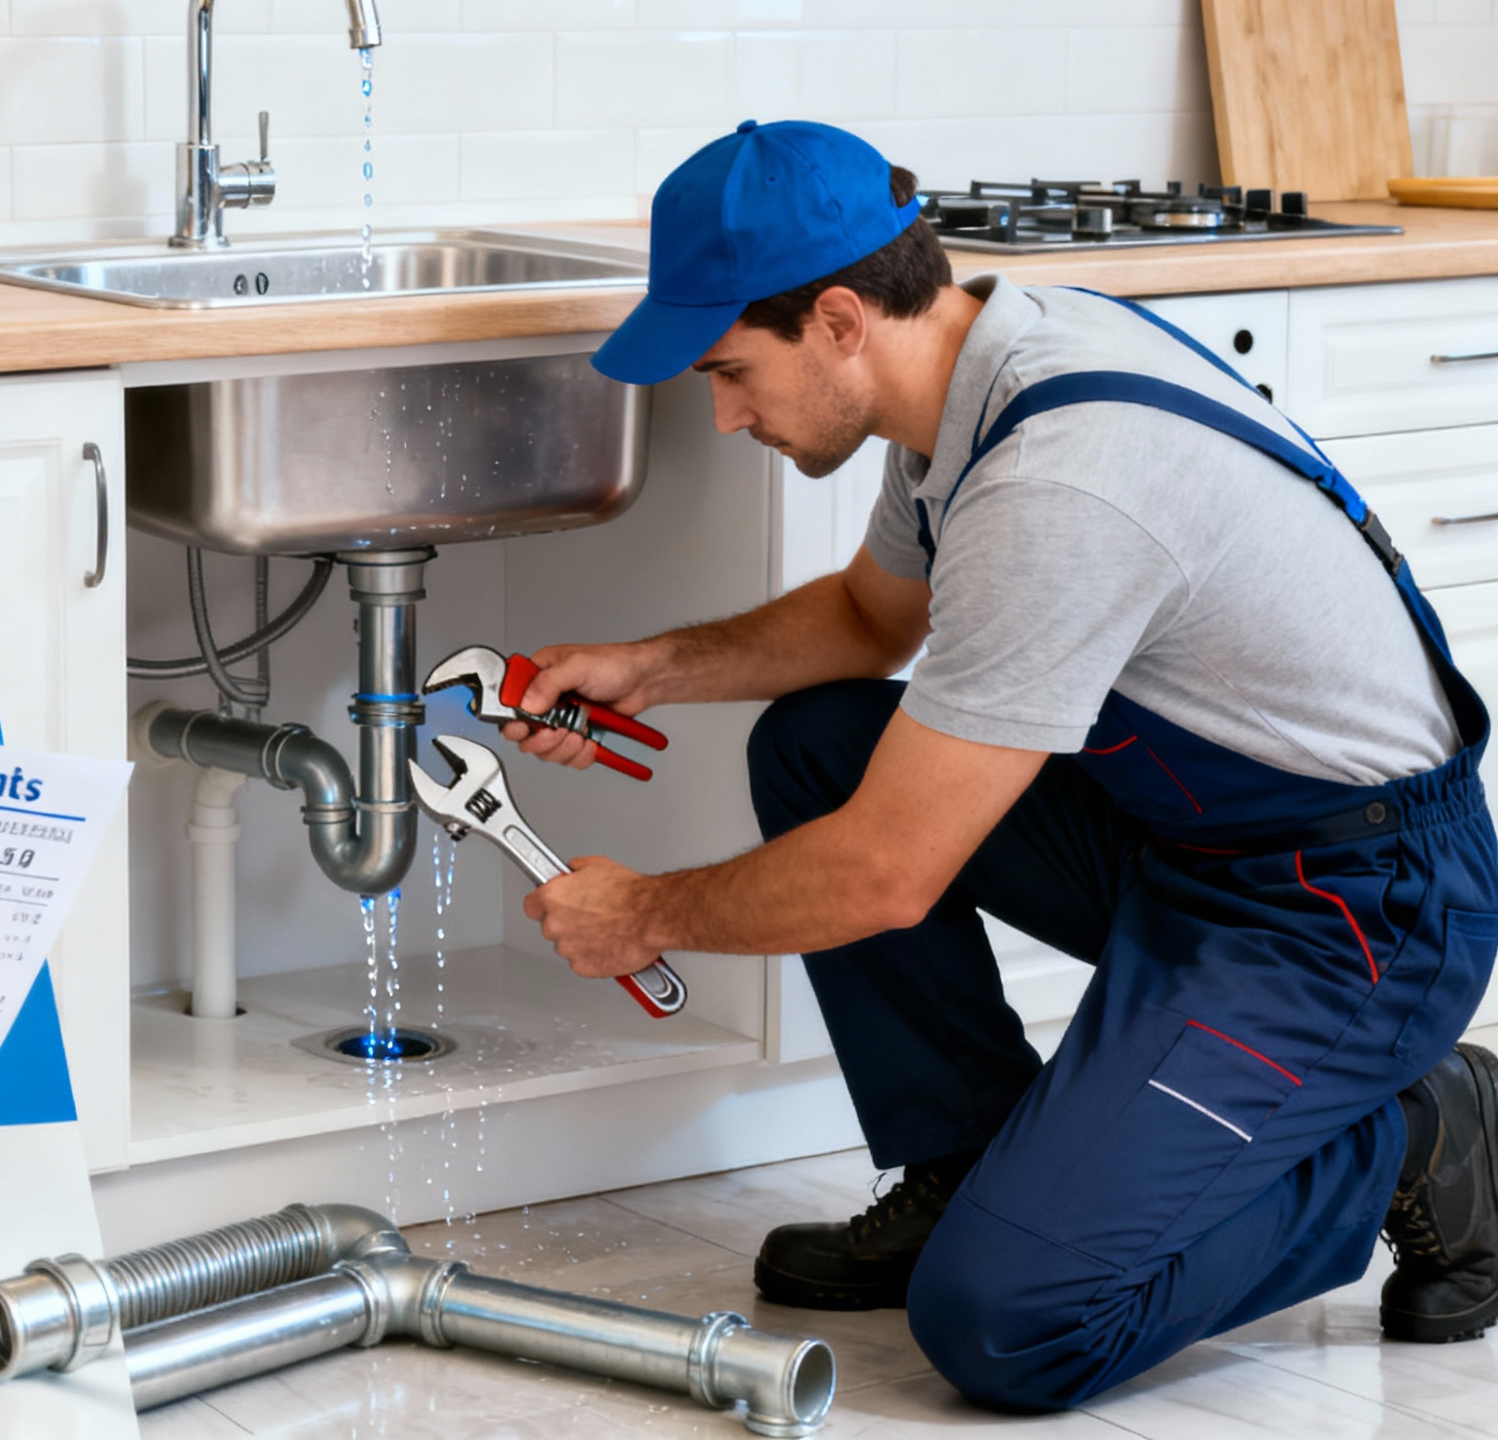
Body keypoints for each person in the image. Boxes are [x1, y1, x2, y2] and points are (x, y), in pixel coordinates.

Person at [509, 119, 1498, 1408]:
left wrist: (640, 915)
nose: (725, 413)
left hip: (1350, 910)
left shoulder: (1058, 485)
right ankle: (964, 1164)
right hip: (1191, 842)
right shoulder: (975, 372)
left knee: (1011, 1322)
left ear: (840, 320)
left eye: (732, 370)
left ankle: (1417, 1135)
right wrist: (648, 667)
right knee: (820, 744)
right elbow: (867, 621)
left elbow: (885, 876)